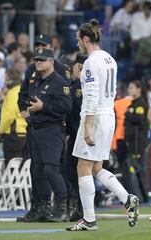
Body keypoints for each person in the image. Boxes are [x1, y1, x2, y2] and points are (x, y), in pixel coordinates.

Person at [66, 19, 139, 231]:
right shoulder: (110, 59)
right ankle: (127, 198)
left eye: (79, 40)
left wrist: (87, 125)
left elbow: (90, 96)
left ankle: (89, 219)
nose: (78, 44)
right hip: (109, 114)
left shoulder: (90, 63)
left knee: (83, 166)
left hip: (95, 116)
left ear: (86, 39)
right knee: (97, 166)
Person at [16, 34, 71, 222]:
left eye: (42, 59)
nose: (37, 61)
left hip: (52, 130)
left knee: (51, 169)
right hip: (36, 129)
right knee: (37, 170)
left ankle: (62, 206)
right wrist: (24, 109)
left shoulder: (60, 80)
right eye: (36, 58)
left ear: (51, 60)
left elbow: (66, 107)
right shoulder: (37, 80)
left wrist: (43, 107)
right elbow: (23, 94)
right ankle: (41, 208)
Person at [64, 53, 87, 221]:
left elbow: (77, 112)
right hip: (78, 135)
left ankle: (82, 207)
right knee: (73, 171)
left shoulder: (78, 87)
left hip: (79, 136)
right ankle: (81, 205)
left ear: (79, 67)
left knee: (77, 172)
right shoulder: (77, 85)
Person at [124, 80, 150, 203]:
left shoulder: (140, 104)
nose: (129, 90)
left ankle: (144, 196)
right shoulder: (133, 104)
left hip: (138, 142)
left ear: (138, 89)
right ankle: (142, 196)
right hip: (132, 141)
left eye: (131, 87)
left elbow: (139, 119)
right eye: (129, 88)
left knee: (139, 169)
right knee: (136, 169)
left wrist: (127, 114)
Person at [0, 69, 27, 163]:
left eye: (6, 79)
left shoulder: (13, 93)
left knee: (12, 167)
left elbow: (9, 116)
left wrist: (0, 131)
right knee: (21, 166)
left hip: (13, 134)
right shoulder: (22, 90)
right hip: (21, 132)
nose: (5, 82)